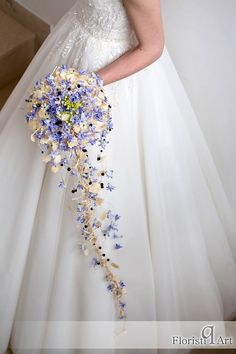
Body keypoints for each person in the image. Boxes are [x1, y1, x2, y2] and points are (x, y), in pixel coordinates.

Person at [1, 0, 236, 353]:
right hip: (73, 44)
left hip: (110, 80)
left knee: (92, 197)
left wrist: (86, 87)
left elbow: (153, 47)